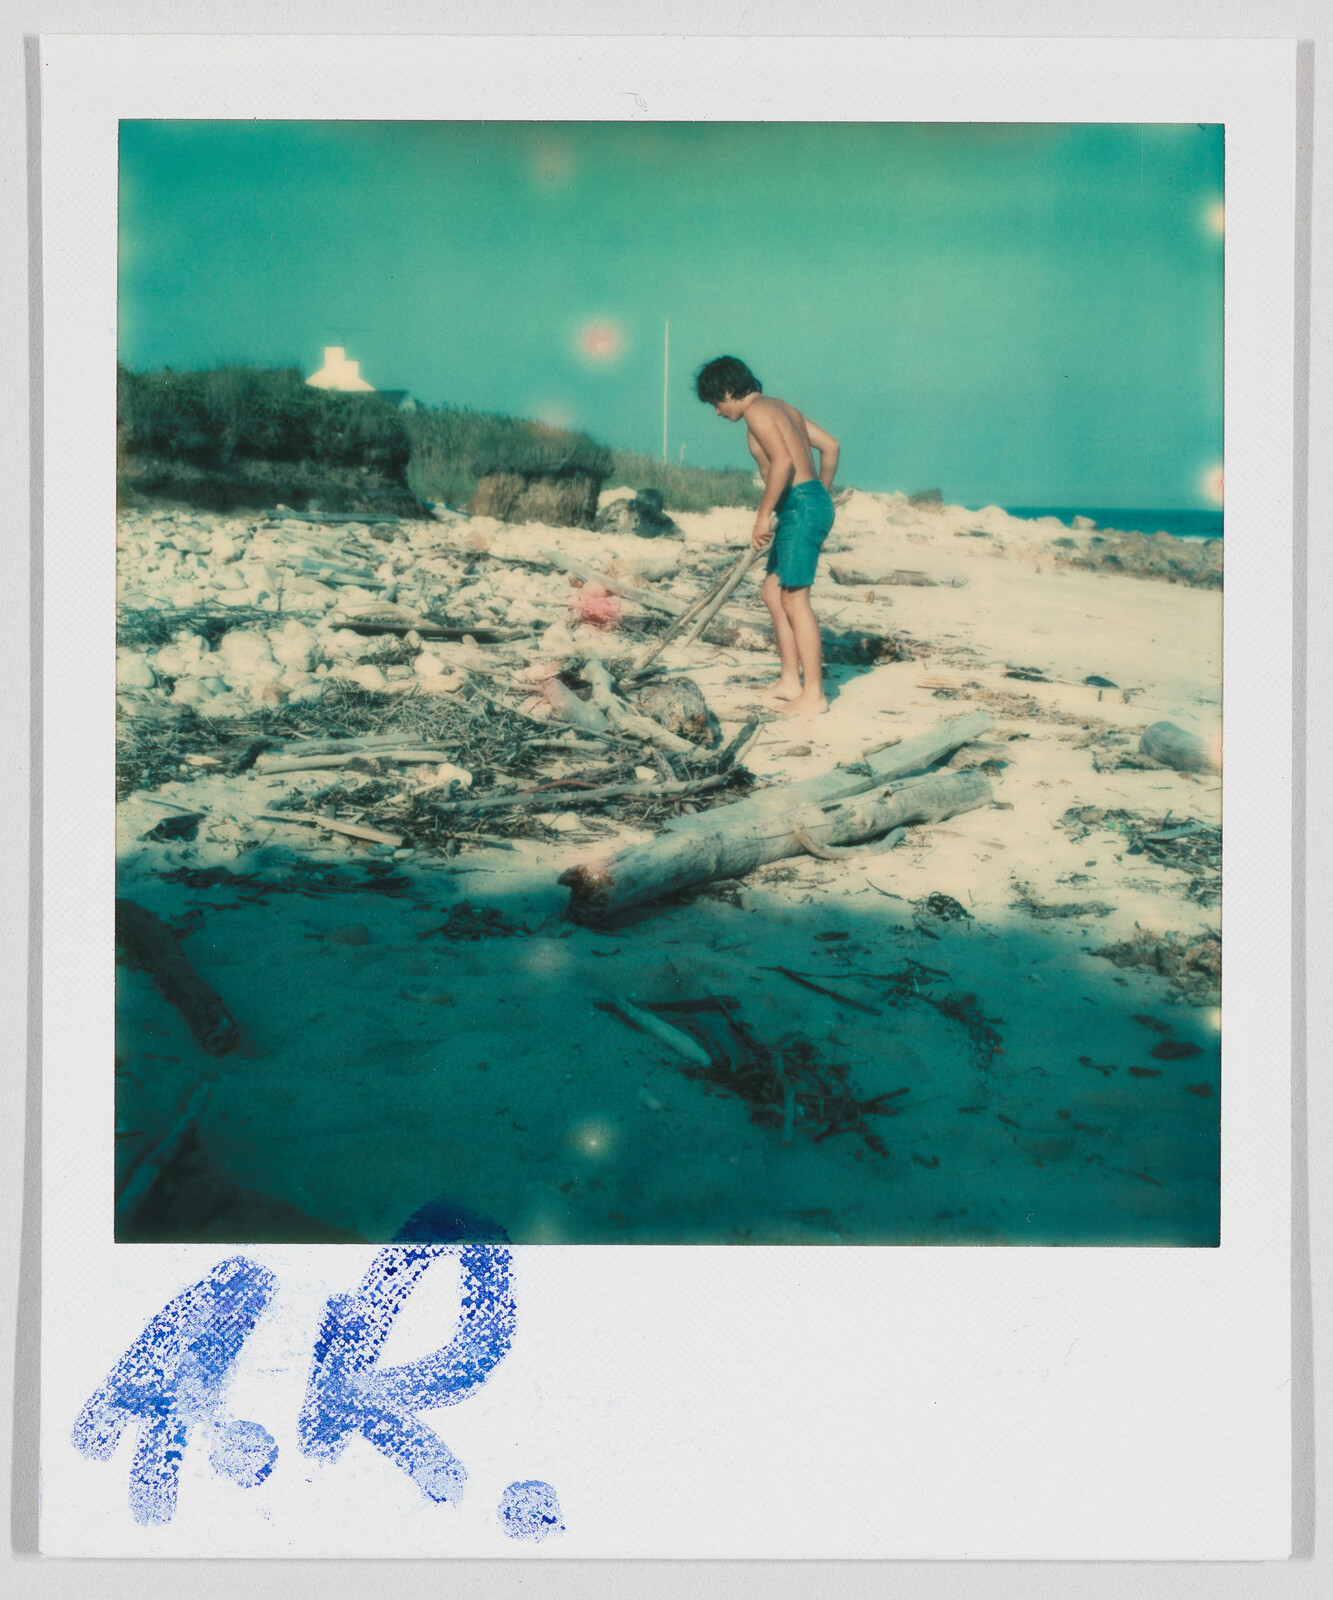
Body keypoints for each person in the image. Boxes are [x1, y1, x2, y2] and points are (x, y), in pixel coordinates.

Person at [695, 356, 839, 715]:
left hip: (801, 506)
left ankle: (815, 695)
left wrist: (763, 515)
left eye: (716, 402)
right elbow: (831, 447)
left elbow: (784, 463)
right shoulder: (781, 407)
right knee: (772, 592)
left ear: (728, 391)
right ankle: (791, 681)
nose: (716, 411)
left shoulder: (757, 410)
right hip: (805, 504)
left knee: (794, 599)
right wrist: (819, 492)